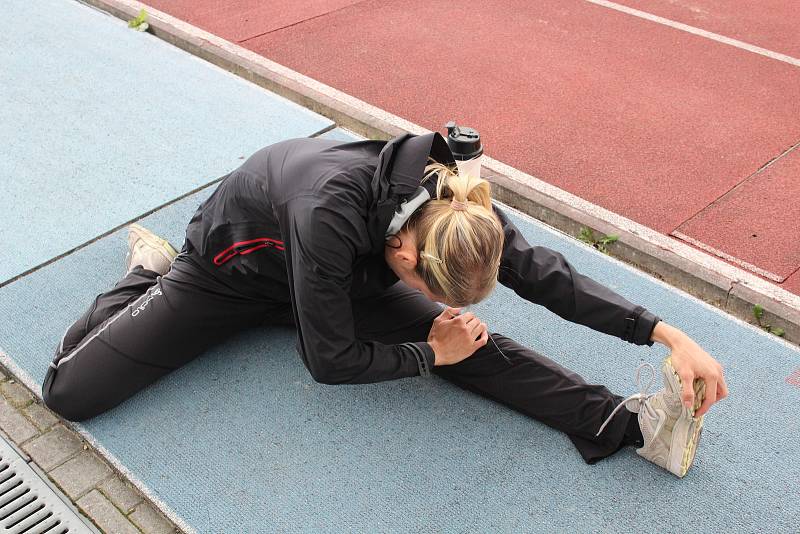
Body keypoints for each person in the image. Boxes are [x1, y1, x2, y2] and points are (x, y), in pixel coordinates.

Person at [42, 132, 727, 477]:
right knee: (68, 393)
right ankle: (146, 272)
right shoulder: (328, 216)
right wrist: (430, 350)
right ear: (405, 259)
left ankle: (628, 425)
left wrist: (666, 333)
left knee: (469, 338)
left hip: (334, 280)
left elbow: (549, 276)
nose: (425, 300)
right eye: (426, 288)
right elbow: (329, 360)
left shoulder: (461, 215)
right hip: (231, 274)